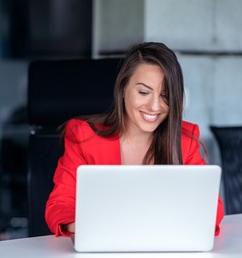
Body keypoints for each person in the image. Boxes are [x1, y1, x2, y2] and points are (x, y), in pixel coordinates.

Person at [45, 42, 224, 237]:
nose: (155, 106)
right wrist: (93, 229)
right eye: (144, 93)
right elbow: (60, 205)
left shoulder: (184, 141)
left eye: (165, 96)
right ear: (122, 89)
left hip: (164, 248)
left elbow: (211, 209)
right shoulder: (84, 136)